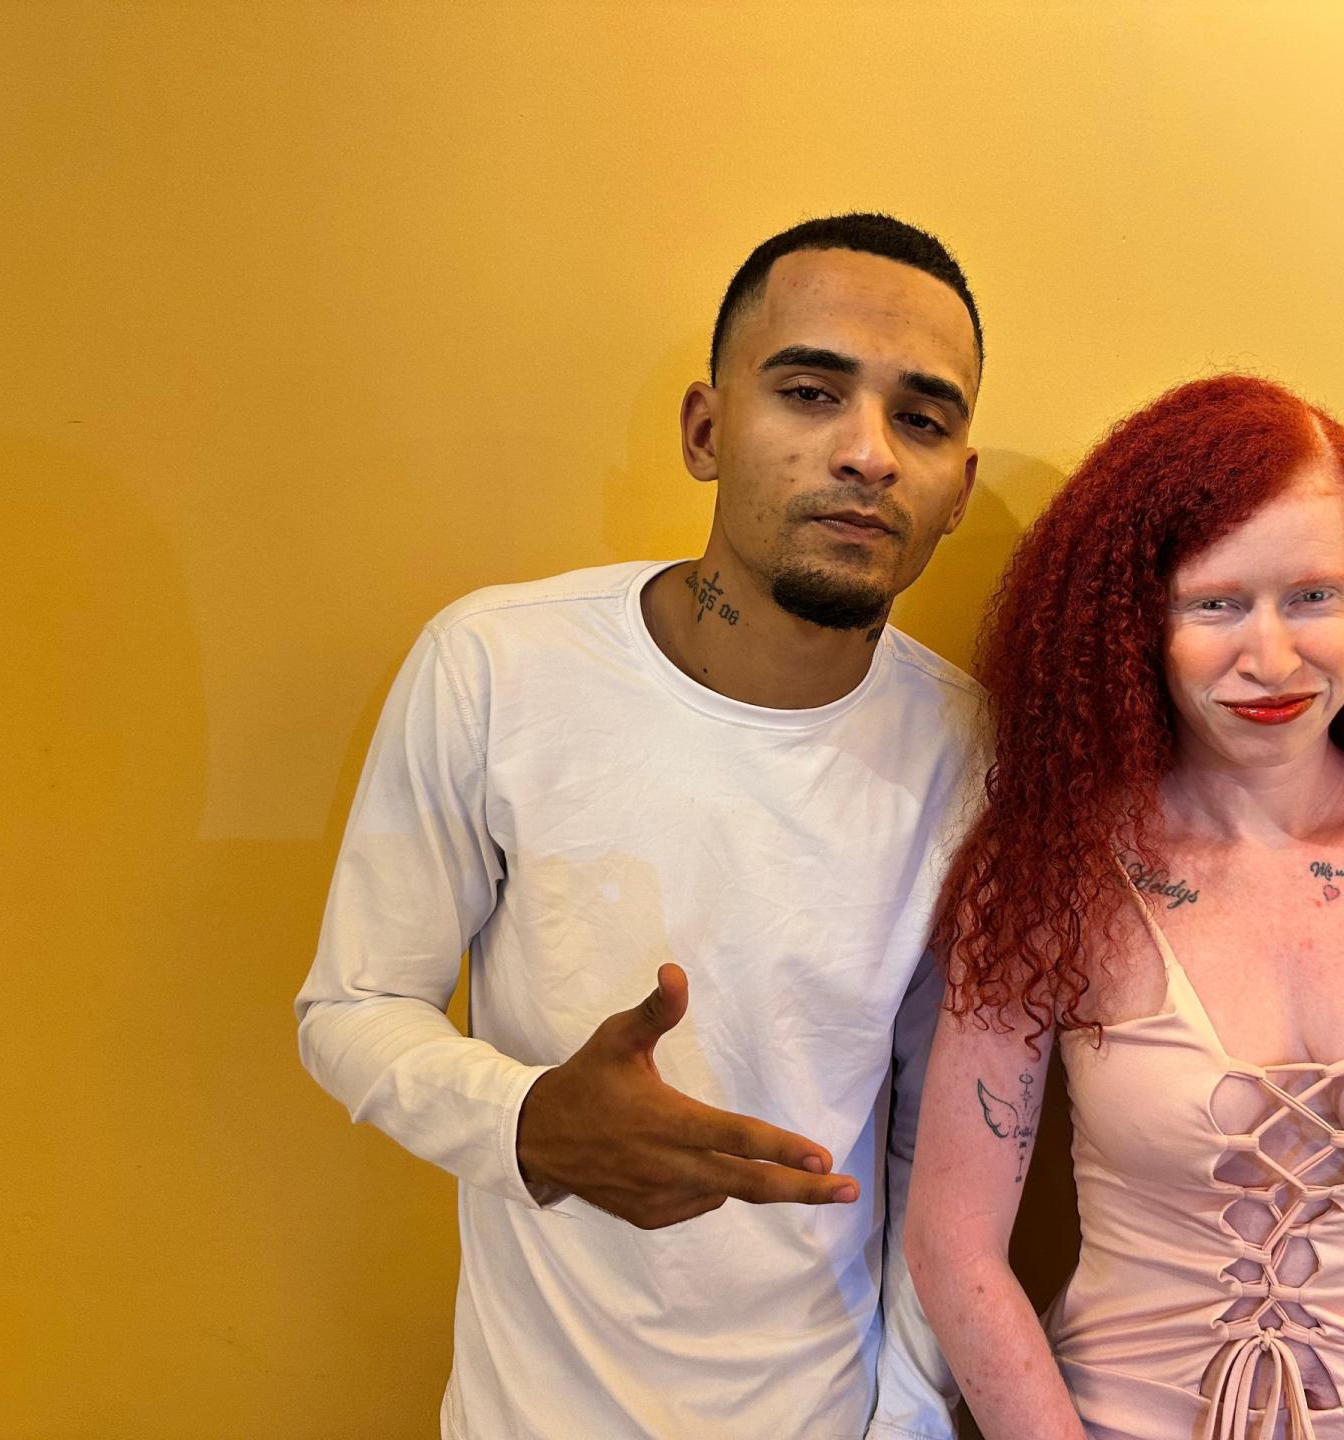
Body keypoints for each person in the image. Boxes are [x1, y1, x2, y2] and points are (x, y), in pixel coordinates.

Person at [295, 212, 988, 1440]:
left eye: (921, 419)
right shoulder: (498, 667)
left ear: (959, 492)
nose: (868, 454)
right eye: (811, 393)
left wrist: (905, 1416)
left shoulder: (968, 752)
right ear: (706, 431)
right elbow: (352, 1007)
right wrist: (529, 1124)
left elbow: (941, 1139)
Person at [904, 375, 1344, 1440]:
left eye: (1314, 596)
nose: (1272, 660)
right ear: (1136, 623)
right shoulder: (1052, 865)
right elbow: (954, 1243)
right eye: (1215, 604)